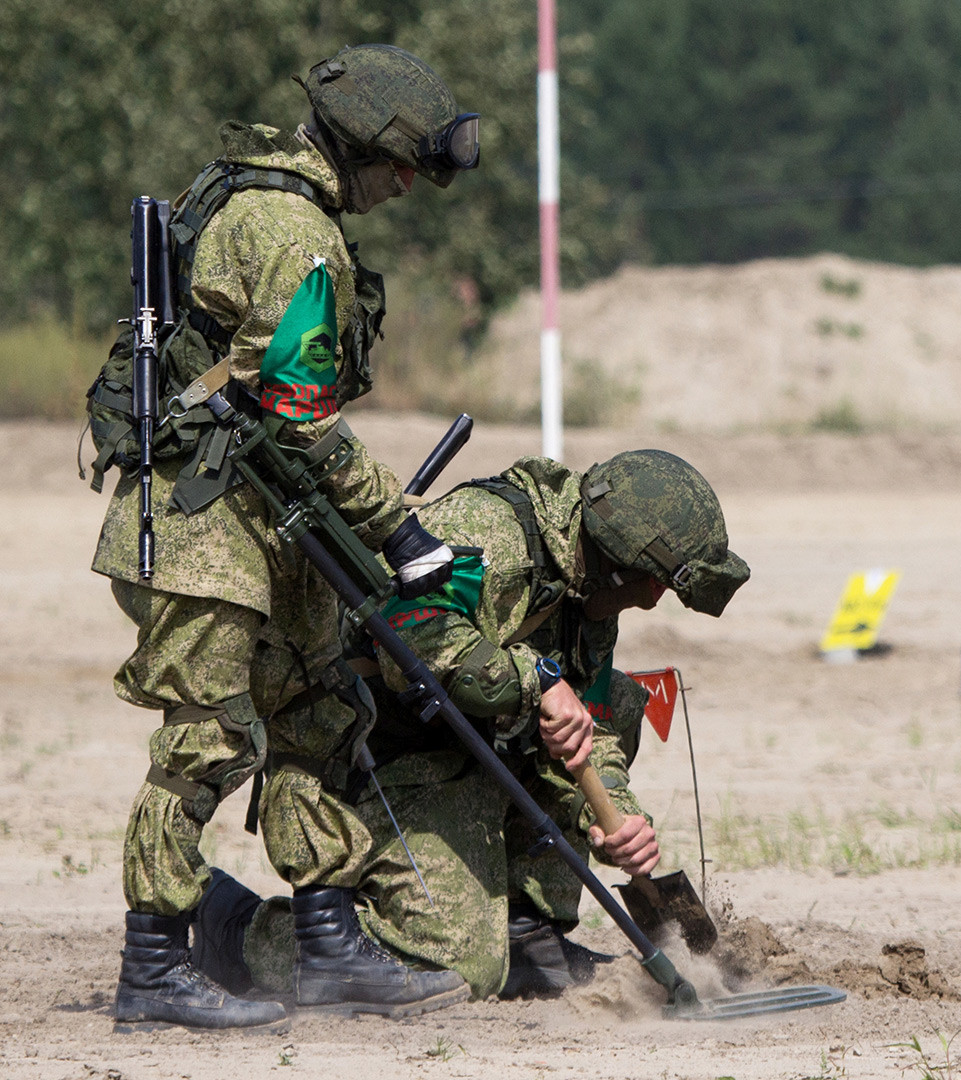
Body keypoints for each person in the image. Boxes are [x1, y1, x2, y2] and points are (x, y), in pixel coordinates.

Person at [94, 44, 479, 1031]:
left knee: (316, 716)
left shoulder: (283, 210)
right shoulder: (290, 230)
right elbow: (299, 407)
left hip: (274, 516)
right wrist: (402, 532)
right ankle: (153, 966)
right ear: (364, 150)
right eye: (403, 167)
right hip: (212, 525)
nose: (406, 187)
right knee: (205, 740)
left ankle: (325, 944)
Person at [190, 450, 750, 1002]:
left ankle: (527, 924)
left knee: (621, 703)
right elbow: (406, 631)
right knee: (454, 964)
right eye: (652, 582)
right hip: (378, 749)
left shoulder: (587, 589)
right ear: (614, 554)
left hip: (466, 747)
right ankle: (232, 926)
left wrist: (615, 817)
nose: (653, 600)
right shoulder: (490, 535)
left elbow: (592, 724)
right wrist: (537, 679)